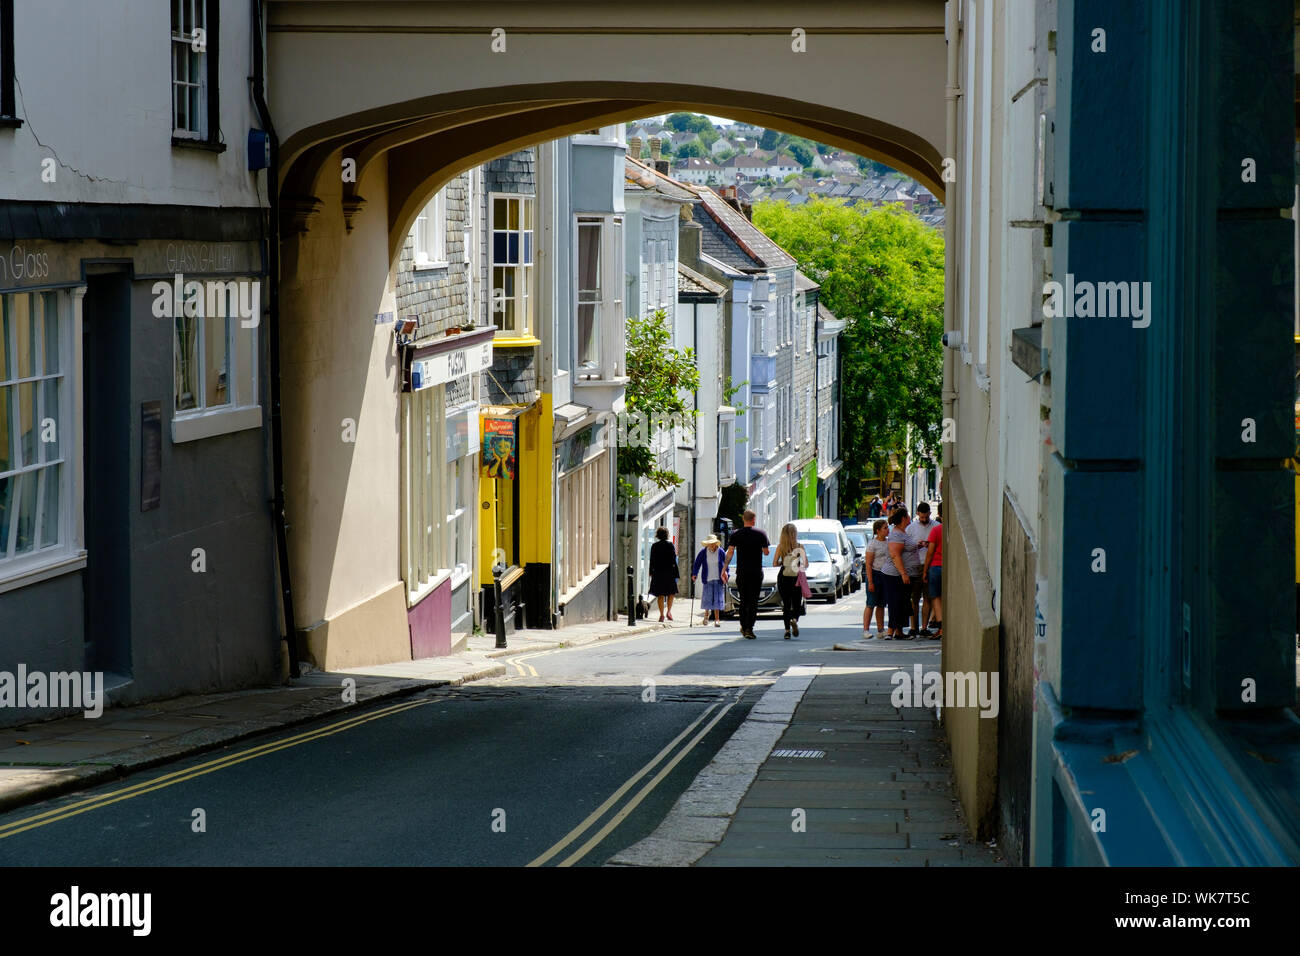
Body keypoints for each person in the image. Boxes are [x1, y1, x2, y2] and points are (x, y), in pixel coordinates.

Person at [724, 509, 770, 639]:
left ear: (743, 519)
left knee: (743, 600)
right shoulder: (761, 534)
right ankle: (749, 627)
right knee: (753, 601)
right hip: (756, 572)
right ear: (754, 520)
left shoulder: (736, 534)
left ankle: (744, 626)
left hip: (742, 572)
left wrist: (724, 569)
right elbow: (766, 552)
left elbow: (730, 552)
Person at [772, 523, 808, 640]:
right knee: (797, 602)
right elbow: (806, 564)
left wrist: (784, 563)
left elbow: (774, 563)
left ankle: (787, 631)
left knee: (786, 604)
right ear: (795, 534)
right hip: (796, 577)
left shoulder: (780, 547)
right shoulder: (800, 547)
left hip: (783, 577)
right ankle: (794, 619)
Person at [883, 508, 915, 639]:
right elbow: (895, 555)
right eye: (907, 516)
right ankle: (891, 631)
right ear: (903, 518)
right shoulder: (896, 534)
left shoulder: (902, 533)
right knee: (896, 602)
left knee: (902, 602)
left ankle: (899, 631)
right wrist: (903, 573)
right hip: (894, 574)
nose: (909, 518)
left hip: (901, 573)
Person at [907, 502, 938, 634]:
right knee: (914, 598)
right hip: (915, 565)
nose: (924, 520)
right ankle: (913, 627)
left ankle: (924, 628)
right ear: (917, 514)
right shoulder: (911, 528)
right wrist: (916, 545)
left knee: (928, 598)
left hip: (930, 564)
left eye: (926, 517)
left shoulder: (936, 527)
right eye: (922, 517)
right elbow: (906, 547)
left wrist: (929, 545)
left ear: (930, 514)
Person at [691, 534, 729, 628]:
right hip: (707, 578)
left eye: (712, 544)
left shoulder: (721, 552)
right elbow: (697, 563)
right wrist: (694, 573)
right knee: (707, 598)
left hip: (718, 578)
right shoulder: (703, 552)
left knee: (717, 599)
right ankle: (706, 617)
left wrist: (726, 573)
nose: (711, 546)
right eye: (709, 544)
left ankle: (717, 619)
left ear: (716, 543)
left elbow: (726, 564)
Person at [862, 519, 889, 638]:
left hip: (885, 574)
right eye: (885, 528)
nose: (887, 530)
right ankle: (866, 630)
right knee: (871, 603)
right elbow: (868, 563)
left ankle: (880, 629)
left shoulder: (888, 542)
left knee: (881, 604)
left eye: (887, 527)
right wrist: (870, 581)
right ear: (878, 531)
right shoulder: (873, 544)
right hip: (874, 573)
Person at [648, 526, 679, 622]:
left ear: (658, 535)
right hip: (669, 572)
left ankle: (661, 615)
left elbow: (652, 560)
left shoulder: (654, 546)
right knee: (671, 593)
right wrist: (676, 573)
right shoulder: (670, 545)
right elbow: (674, 560)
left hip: (658, 572)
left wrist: (650, 572)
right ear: (667, 535)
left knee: (660, 594)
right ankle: (668, 612)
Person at [922, 504, 943, 640]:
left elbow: (930, 552)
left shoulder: (936, 530)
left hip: (935, 567)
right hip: (948, 567)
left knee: (935, 597)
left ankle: (941, 627)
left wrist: (925, 571)